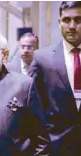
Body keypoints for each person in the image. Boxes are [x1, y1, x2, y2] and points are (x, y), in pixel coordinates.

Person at [29, 1, 81, 155]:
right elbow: (33, 110)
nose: (71, 25)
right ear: (59, 22)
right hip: (56, 146)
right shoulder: (42, 59)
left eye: (78, 20)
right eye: (66, 20)